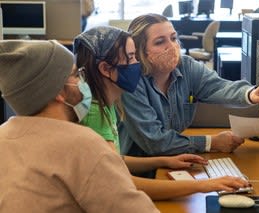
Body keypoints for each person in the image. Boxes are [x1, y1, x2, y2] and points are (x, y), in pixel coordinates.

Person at [73, 26, 250, 200]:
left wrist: (163, 161)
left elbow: (114, 160)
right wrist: (203, 185)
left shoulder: (106, 105)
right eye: (132, 57)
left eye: (173, 38)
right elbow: (120, 183)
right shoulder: (95, 113)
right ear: (105, 69)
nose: (137, 64)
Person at [0, 40, 159, 212]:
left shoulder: (3, 137)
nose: (84, 82)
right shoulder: (83, 144)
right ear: (60, 92)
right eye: (76, 75)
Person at [118, 13, 259, 157]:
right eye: (160, 42)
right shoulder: (132, 82)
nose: (172, 46)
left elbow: (218, 87)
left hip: (173, 157)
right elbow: (154, 141)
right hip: (138, 169)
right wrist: (211, 143)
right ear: (140, 51)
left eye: (173, 38)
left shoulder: (186, 66)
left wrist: (251, 93)